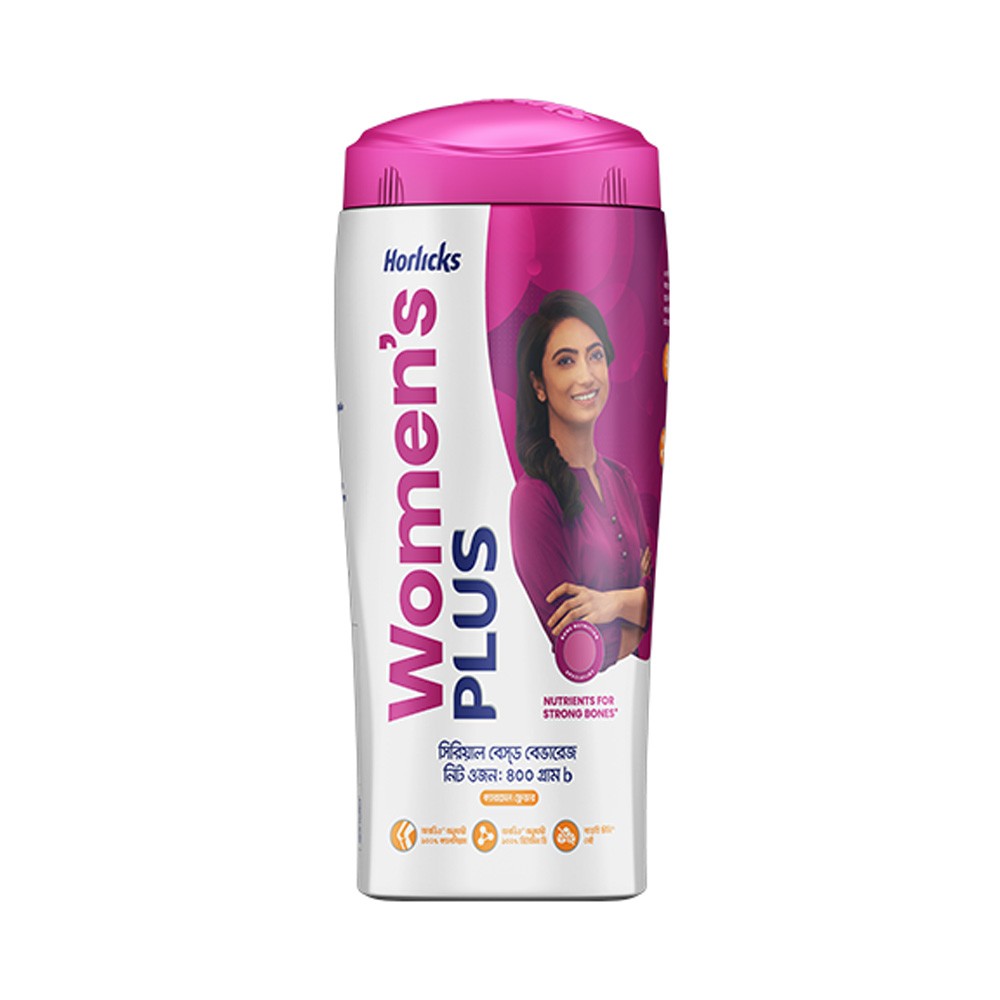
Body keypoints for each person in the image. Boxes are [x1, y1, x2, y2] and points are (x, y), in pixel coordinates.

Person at [510, 290, 652, 672]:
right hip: (566, 699)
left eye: (596, 355)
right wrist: (642, 610)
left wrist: (612, 604)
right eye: (566, 361)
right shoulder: (533, 499)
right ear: (538, 385)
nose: (586, 375)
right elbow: (580, 650)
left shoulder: (622, 479)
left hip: (632, 696)